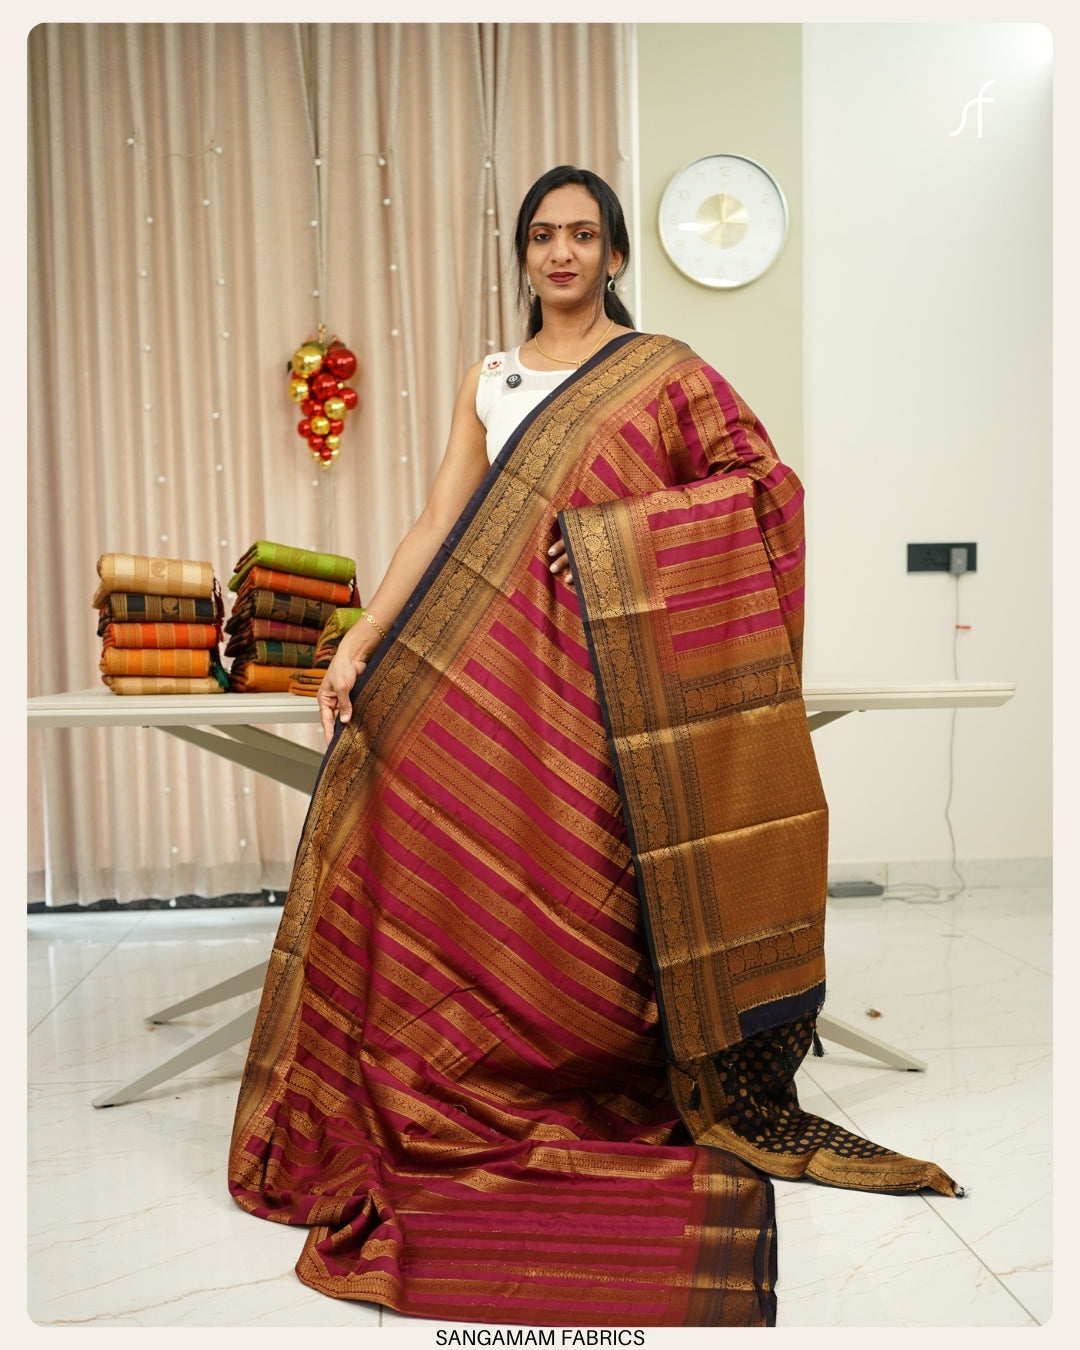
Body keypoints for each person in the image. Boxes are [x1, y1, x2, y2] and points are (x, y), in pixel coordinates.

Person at [229, 166, 958, 1328]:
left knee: (590, 894)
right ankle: (460, 1061)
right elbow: (438, 521)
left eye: (582, 234)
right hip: (490, 675)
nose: (561, 252)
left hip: (609, 691)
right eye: (542, 235)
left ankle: (599, 1064)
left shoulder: (665, 373)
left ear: (615, 254)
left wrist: (626, 533)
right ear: (524, 255)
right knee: (438, 848)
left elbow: (763, 489)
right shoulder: (493, 377)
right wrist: (360, 639)